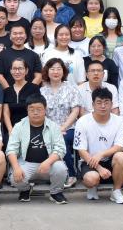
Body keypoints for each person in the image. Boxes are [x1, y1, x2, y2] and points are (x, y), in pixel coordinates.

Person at [6, 93, 69, 204]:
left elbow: (60, 149)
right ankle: (25, 190)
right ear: (27, 110)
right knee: (14, 178)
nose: (35, 112)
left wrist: (48, 162)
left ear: (45, 109)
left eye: (39, 109)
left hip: (48, 164)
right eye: (32, 109)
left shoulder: (53, 126)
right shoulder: (19, 126)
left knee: (60, 168)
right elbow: (11, 149)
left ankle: (55, 192)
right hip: (26, 163)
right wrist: (16, 168)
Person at [74, 88, 123, 204]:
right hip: (89, 160)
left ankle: (116, 191)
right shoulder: (82, 121)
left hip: (110, 160)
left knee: (122, 156)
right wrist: (99, 168)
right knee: (91, 179)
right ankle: (92, 187)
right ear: (93, 104)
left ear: (112, 104)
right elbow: (81, 151)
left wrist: (102, 154)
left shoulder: (119, 121)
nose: (103, 106)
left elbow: (120, 146)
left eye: (106, 102)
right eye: (99, 102)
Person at [40, 58, 82, 188]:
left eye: (59, 69)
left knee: (61, 139)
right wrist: (52, 128)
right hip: (48, 127)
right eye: (52, 69)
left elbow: (75, 111)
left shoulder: (71, 88)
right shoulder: (42, 91)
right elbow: (41, 113)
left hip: (69, 128)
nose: (55, 72)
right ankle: (53, 173)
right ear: (47, 71)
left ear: (63, 71)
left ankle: (71, 174)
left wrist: (63, 127)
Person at [0, 25, 42, 89]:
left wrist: (29, 89)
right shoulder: (2, 55)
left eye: (21, 33)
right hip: (8, 93)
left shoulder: (34, 55)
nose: (18, 36)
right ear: (10, 36)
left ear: (26, 36)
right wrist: (9, 90)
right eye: (15, 34)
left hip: (30, 93)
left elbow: (38, 76)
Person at [2, 57, 39, 134]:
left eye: (20, 68)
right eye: (14, 69)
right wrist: (11, 130)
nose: (17, 71)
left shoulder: (34, 89)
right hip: (11, 130)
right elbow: (6, 113)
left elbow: (35, 111)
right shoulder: (7, 91)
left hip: (30, 130)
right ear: (11, 71)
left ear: (26, 71)